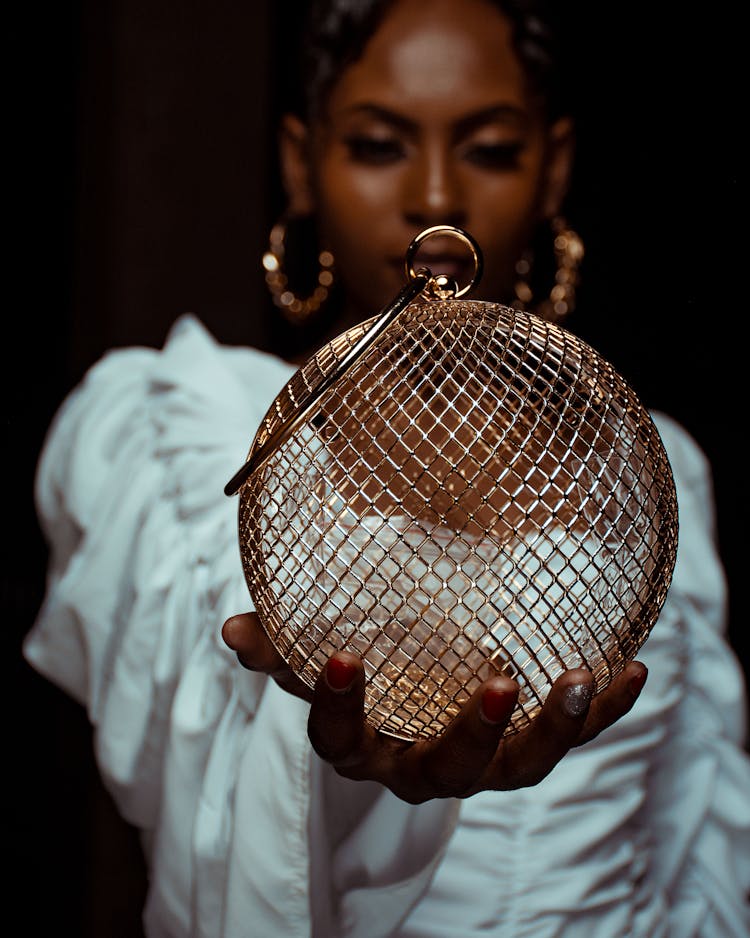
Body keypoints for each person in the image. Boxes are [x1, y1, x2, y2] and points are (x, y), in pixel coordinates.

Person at [23, 0, 750, 935]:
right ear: (301, 161)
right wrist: (319, 754)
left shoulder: (656, 466)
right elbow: (192, 734)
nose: (437, 200)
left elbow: (701, 822)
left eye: (489, 149)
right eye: (379, 146)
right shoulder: (181, 427)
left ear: (554, 167)